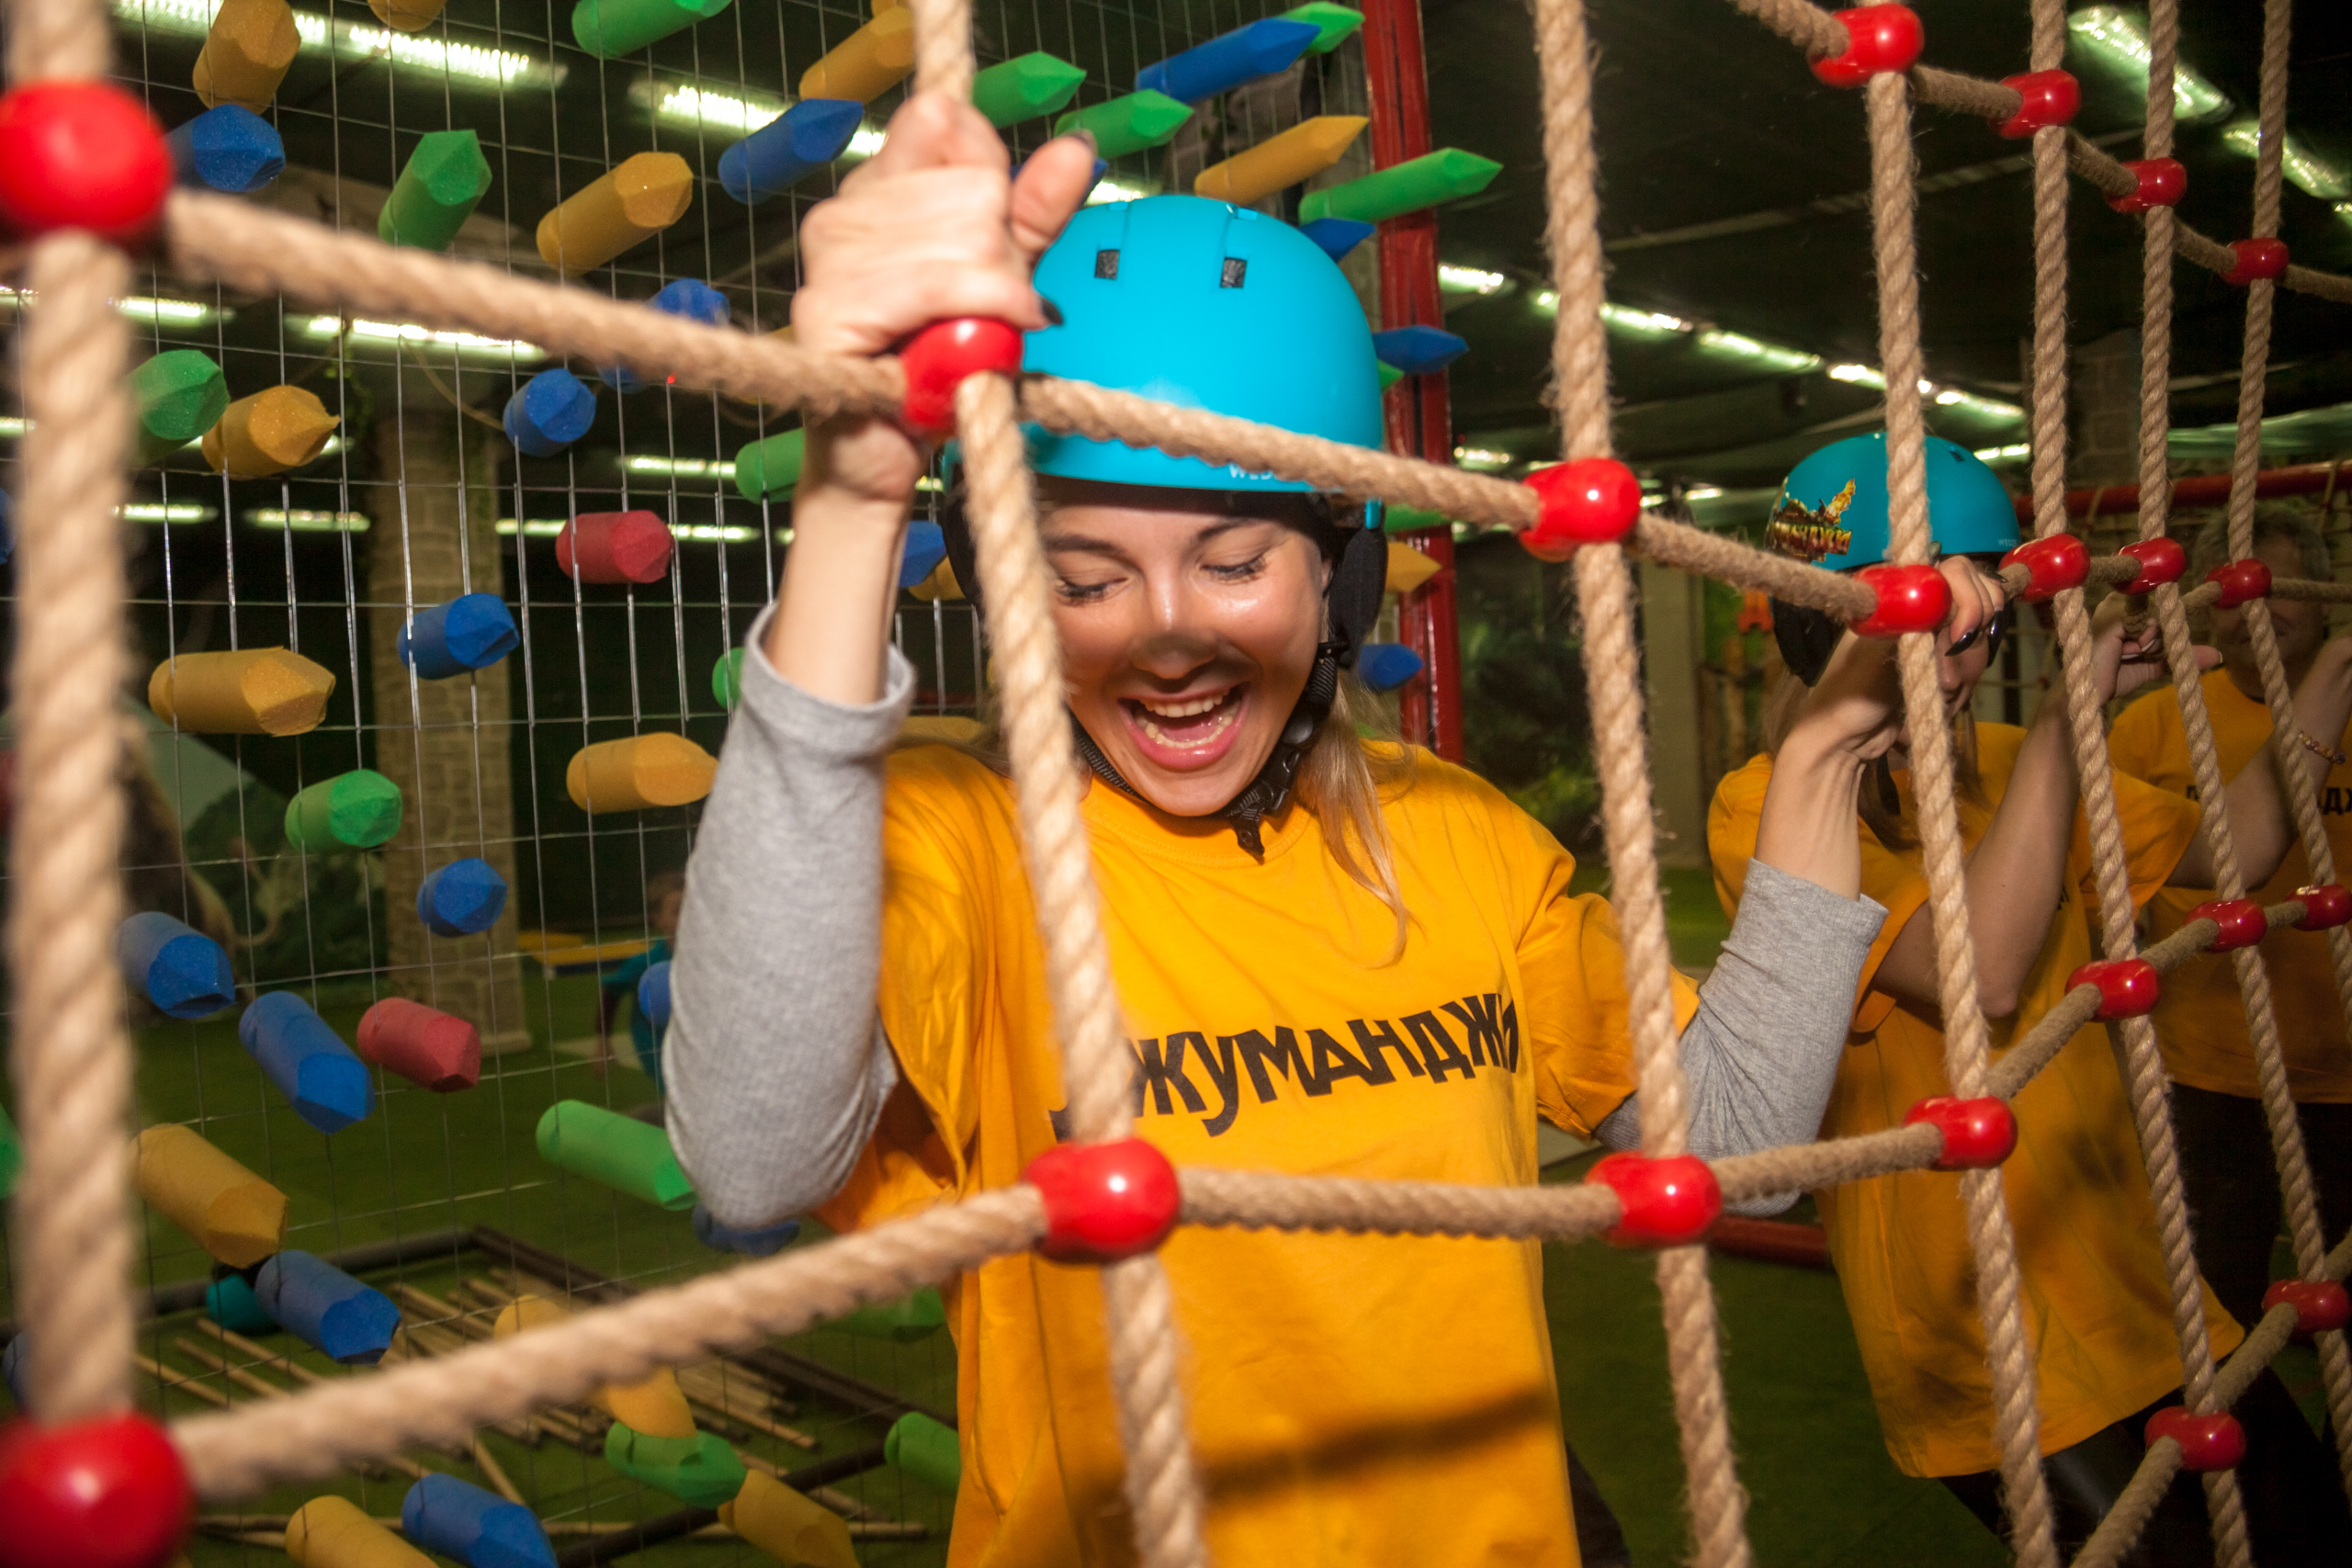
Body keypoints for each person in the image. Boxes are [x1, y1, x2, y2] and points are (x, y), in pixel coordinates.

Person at [669, 93, 1924, 1568]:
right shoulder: (961, 845)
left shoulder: (1448, 833)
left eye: (1232, 560)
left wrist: (1827, 747)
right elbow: (751, 1158)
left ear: (1340, 575)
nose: (1167, 633)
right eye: (1083, 576)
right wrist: (852, 496)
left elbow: (1744, 1143)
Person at [1709, 437, 2352, 1566]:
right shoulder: (1767, 810)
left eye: (1976, 628)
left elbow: (2240, 850)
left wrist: (2328, 682)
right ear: (1819, 628)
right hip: (1979, 1334)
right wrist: (2070, 723)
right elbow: (1985, 977)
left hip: (2143, 1293)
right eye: (1924, 625)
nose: (1957, 663)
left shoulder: (2004, 759)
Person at [2107, 505, 2352, 1329]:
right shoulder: (2151, 724)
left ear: (2323, 597)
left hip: (2345, 1069)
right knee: (2216, 1313)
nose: (2258, 609)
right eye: (2237, 592)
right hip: (2208, 1073)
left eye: (2278, 588)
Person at [597, 868, 682, 1092]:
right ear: (657, 918)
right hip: (654, 1044)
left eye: (691, 909)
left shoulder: (705, 959)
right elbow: (611, 991)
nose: (686, 918)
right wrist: (603, 1042)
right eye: (677, 911)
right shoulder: (644, 964)